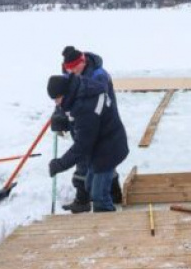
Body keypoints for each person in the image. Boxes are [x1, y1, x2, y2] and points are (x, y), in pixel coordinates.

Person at [46, 73, 129, 213]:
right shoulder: (80, 90)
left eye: (57, 99)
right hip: (100, 145)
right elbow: (85, 123)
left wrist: (60, 164)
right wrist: (65, 122)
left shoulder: (85, 107)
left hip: (109, 150)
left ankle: (107, 226)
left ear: (65, 93)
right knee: (90, 185)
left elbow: (82, 145)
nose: (57, 103)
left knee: (99, 196)